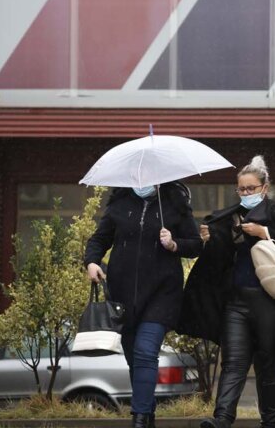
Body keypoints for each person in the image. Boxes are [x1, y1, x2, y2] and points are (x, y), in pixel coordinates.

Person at [178, 155, 275, 428]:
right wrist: (210, 239)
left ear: (264, 188)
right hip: (237, 302)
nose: (245, 193)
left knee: (268, 369)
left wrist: (264, 231)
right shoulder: (229, 217)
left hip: (270, 303)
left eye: (250, 188)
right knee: (233, 364)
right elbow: (218, 261)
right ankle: (222, 419)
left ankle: (270, 423)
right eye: (241, 189)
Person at [84, 181, 202, 428]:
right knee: (134, 359)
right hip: (122, 296)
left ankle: (138, 420)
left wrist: (174, 244)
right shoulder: (120, 204)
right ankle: (147, 415)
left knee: (145, 352)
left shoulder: (175, 204)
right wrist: (92, 262)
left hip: (162, 294)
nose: (142, 182)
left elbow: (195, 245)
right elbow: (98, 239)